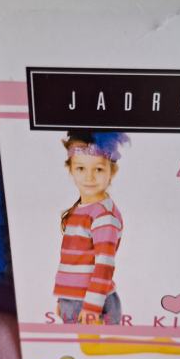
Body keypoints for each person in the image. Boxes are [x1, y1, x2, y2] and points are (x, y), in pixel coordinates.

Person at [54, 131, 129, 325]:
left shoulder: (103, 216)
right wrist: (64, 298)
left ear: (112, 172)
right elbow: (73, 261)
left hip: (91, 304)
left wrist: (92, 307)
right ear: (71, 169)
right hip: (75, 301)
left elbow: (104, 264)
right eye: (81, 168)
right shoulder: (82, 209)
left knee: (93, 345)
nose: (89, 177)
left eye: (99, 169)